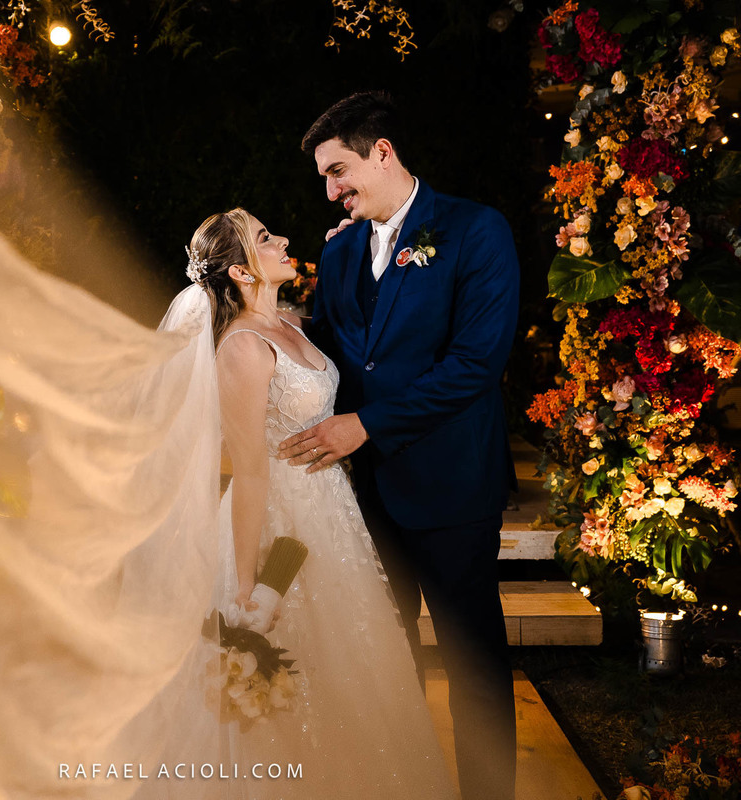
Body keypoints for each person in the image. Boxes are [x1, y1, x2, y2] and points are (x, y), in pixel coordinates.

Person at [279, 91, 520, 800]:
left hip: (453, 491)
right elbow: (337, 351)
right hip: (366, 498)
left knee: (473, 667)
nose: (331, 191)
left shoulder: (476, 230)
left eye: (339, 171)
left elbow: (476, 365)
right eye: (325, 178)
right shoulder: (342, 249)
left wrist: (366, 425)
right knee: (387, 660)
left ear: (382, 153)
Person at [175, 208, 453, 797]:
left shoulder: (291, 324)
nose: (282, 240)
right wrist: (246, 585)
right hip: (280, 519)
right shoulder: (242, 348)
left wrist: (359, 247)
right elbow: (250, 473)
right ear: (240, 273)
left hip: (331, 512)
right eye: (264, 238)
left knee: (355, 659)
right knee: (296, 664)